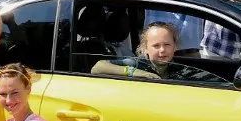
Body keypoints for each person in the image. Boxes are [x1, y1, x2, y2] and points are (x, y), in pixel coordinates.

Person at [90, 22, 226, 83]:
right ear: (145, 49)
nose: (162, 50)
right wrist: (133, 72)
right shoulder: (137, 64)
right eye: (156, 46)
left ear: (174, 47)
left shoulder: (179, 69)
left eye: (167, 45)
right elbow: (98, 67)